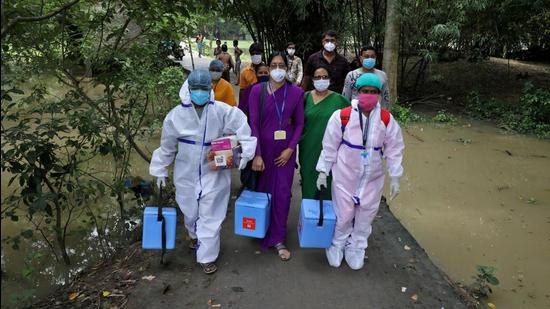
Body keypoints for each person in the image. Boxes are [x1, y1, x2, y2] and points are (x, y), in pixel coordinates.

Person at [150, 69, 257, 274]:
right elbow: (167, 147)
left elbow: (243, 128)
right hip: (185, 173)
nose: (199, 92)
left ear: (210, 89)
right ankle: (194, 235)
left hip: (214, 172)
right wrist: (160, 170)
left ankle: (207, 256)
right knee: (189, 210)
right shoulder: (175, 116)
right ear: (189, 89)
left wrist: (244, 154)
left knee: (211, 213)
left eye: (203, 88)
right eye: (195, 88)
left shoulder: (222, 111)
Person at [316, 73, 404, 270]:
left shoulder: (386, 119)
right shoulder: (342, 116)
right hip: (345, 174)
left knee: (366, 215)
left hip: (372, 177)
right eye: (365, 91)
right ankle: (337, 244)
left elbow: (395, 148)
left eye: (374, 92)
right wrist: (323, 171)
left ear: (379, 95)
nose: (369, 95)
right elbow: (329, 145)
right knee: (344, 214)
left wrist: (396, 176)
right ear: (357, 92)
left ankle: (357, 247)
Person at [249, 52, 304, 261]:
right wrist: (257, 154)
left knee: (282, 194)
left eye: (282, 65)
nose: (278, 69)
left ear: (287, 68)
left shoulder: (295, 92)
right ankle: (262, 228)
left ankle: (279, 237)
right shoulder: (257, 91)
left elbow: (299, 123)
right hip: (263, 150)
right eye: (274, 65)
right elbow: (253, 124)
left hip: (285, 153)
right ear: (268, 67)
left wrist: (291, 149)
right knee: (263, 192)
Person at [299, 65, 350, 200]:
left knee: (328, 182)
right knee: (308, 180)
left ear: (330, 79)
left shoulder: (340, 100)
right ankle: (308, 217)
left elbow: (352, 124)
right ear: (312, 80)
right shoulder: (304, 98)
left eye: (324, 77)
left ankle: (326, 218)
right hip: (307, 148)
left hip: (331, 151)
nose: (321, 80)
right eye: (317, 77)